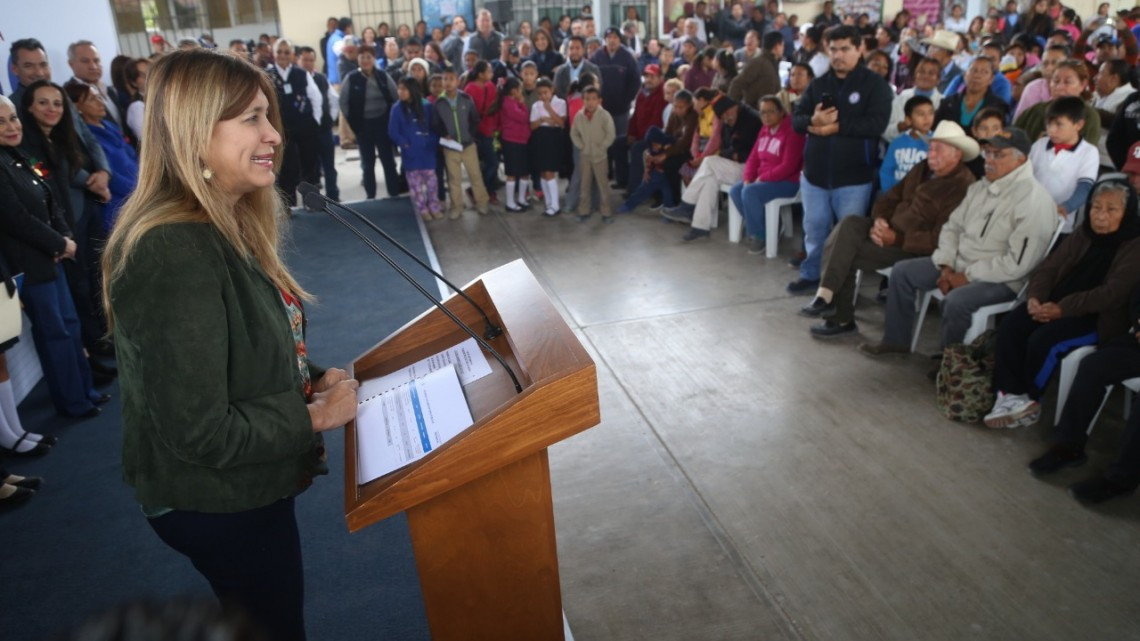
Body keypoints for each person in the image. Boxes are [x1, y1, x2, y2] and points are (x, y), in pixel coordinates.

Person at [101, 50, 358, 641]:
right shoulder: (170, 250)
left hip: (245, 486)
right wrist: (314, 414)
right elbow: (199, 430)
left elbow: (246, 337)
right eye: (250, 119)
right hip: (217, 502)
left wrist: (312, 374)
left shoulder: (221, 220)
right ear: (195, 133)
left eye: (267, 116)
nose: (273, 135)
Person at [858, 127, 1058, 357]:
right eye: (988, 153)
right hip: (958, 264)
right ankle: (896, 342)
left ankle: (950, 361)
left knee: (957, 301)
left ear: (1021, 159)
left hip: (1002, 279)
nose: (989, 161)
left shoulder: (1034, 200)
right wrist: (946, 266)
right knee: (903, 272)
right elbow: (952, 228)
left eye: (998, 155)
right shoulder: (980, 187)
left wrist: (966, 277)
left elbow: (1017, 264)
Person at [985, 177, 1140, 430]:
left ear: (1128, 212)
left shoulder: (1135, 244)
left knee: (1046, 340)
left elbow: (1113, 294)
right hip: (1055, 304)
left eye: (1111, 209)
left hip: (1097, 317)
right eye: (1095, 207)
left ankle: (1029, 397)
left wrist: (1063, 309)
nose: (1100, 215)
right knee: (1014, 323)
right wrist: (1035, 297)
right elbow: (1049, 266)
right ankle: (1009, 395)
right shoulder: (1084, 233)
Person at [803, 121, 978, 337]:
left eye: (938, 149)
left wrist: (896, 238)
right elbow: (890, 197)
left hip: (910, 246)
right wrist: (880, 220)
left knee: (841, 251)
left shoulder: (962, 187)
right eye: (930, 147)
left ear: (957, 154)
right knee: (849, 224)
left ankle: (837, 314)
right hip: (889, 228)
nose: (931, 153)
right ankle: (826, 298)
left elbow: (939, 239)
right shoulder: (922, 168)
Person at [0, 94, 105, 420]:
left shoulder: (20, 155)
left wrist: (66, 237)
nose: (11, 126)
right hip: (31, 264)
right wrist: (59, 244)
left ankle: (86, 392)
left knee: (70, 327)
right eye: (1, 122)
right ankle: (72, 402)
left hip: (55, 255)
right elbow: (16, 218)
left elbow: (51, 199)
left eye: (13, 118)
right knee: (55, 334)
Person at [790, 25, 893, 293]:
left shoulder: (875, 85)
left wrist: (838, 126)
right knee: (814, 229)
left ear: (859, 49)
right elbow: (796, 119)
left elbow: (876, 124)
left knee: (847, 237)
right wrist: (813, 121)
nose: (838, 55)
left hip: (854, 176)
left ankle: (840, 288)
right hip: (815, 174)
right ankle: (812, 275)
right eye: (833, 49)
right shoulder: (819, 83)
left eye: (845, 48)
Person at [674, 96, 762, 241]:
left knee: (709, 162)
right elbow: (724, 148)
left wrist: (735, 154)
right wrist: (731, 154)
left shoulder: (751, 119)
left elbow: (754, 153)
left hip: (751, 169)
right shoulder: (728, 120)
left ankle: (687, 205)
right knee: (709, 179)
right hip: (734, 165)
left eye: (728, 112)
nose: (726, 117)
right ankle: (700, 227)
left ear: (735, 106)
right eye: (723, 115)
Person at [727, 95, 805, 254]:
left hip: (789, 182)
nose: (766, 116)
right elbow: (753, 158)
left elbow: (789, 166)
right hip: (764, 180)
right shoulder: (764, 130)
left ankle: (760, 236)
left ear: (781, 112)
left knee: (750, 192)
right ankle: (768, 229)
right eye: (762, 112)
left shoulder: (793, 131)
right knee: (736, 190)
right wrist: (748, 178)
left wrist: (762, 178)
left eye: (771, 111)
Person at [64, 81, 138, 231]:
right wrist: (138, 191)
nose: (100, 102)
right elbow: (111, 177)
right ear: (77, 107)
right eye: (92, 99)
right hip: (120, 204)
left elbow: (132, 156)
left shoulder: (109, 125)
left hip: (139, 189)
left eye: (99, 97)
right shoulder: (87, 139)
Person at [339, 45, 402, 199]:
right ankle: (371, 196)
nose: (366, 60)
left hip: (383, 124)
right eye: (362, 57)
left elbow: (395, 98)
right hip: (363, 126)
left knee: (388, 161)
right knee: (368, 165)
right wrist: (354, 123)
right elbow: (343, 102)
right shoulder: (351, 78)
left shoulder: (382, 76)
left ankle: (394, 193)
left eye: (369, 57)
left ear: (374, 59)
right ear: (357, 59)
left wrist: (394, 121)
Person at [1028, 97, 1097, 234]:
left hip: (1059, 223)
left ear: (1078, 125)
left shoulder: (1088, 152)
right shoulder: (1039, 145)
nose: (1051, 130)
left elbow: (1085, 187)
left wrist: (1066, 207)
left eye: (1059, 124)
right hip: (1028, 215)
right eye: (1048, 124)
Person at [267, 39, 321, 207]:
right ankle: (289, 206)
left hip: (305, 127)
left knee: (309, 164)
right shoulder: (267, 74)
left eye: (286, 52)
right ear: (274, 54)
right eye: (279, 52)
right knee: (286, 169)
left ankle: (310, 202)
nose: (283, 55)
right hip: (282, 130)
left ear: (291, 54)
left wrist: (315, 121)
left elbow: (316, 97)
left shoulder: (301, 73)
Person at [432, 67, 489, 218]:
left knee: (475, 175)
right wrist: (444, 134)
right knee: (454, 179)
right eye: (445, 79)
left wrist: (470, 134)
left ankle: (482, 202)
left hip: (468, 145)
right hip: (450, 148)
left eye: (451, 79)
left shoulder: (465, 98)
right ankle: (456, 207)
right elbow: (436, 123)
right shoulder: (439, 102)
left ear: (458, 81)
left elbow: (475, 119)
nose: (448, 82)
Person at [592, 28, 642, 189]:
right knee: (601, 142)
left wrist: (626, 99)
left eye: (615, 37)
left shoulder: (627, 57)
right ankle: (605, 175)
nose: (612, 40)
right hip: (601, 109)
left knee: (619, 143)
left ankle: (621, 179)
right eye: (609, 37)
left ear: (620, 40)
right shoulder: (597, 56)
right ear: (604, 40)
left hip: (621, 110)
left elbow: (635, 81)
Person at [388, 77, 441, 221]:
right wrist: (404, 144)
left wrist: (432, 142)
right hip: (410, 155)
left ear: (413, 90)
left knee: (432, 184)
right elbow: (393, 131)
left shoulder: (427, 106)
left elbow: (434, 127)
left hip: (427, 153)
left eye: (404, 89)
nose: (401, 92)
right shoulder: (397, 108)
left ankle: (434, 207)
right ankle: (422, 209)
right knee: (416, 186)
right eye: (399, 88)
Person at [1015, 60, 1101, 144]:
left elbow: (1085, 153)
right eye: (1056, 81)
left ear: (1083, 85)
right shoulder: (1035, 110)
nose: (1060, 87)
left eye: (1067, 82)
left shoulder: (1089, 116)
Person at [297, 46, 339, 202]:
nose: (308, 63)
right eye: (304, 60)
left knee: (329, 166)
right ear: (298, 60)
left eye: (311, 60)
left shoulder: (321, 78)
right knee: (310, 168)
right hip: (305, 133)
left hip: (324, 130)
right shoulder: (296, 78)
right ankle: (312, 201)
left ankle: (333, 196)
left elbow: (333, 100)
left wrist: (329, 118)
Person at [571, 85, 616, 223]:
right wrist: (581, 146)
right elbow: (574, 133)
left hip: (600, 157)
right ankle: (584, 211)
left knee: (603, 186)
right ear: (582, 100)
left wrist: (602, 147)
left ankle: (606, 212)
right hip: (585, 156)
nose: (590, 102)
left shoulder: (604, 116)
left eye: (593, 99)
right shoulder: (579, 116)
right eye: (587, 99)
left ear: (599, 100)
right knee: (584, 185)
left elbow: (611, 134)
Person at [625, 64, 668, 195]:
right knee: (618, 143)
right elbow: (635, 116)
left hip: (655, 138)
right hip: (640, 134)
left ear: (660, 78)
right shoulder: (642, 92)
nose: (648, 79)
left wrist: (640, 138)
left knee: (637, 148)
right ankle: (623, 180)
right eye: (646, 76)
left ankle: (635, 189)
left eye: (652, 76)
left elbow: (656, 123)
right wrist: (631, 134)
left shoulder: (662, 94)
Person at [934, 57, 1007, 130]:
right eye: (973, 70)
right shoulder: (948, 102)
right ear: (965, 75)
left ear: (991, 79)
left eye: (984, 72)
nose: (977, 76)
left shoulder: (998, 107)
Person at [880, 96, 934, 194]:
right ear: (908, 119)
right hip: (897, 196)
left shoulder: (936, 142)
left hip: (924, 198)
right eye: (921, 114)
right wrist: (890, 194)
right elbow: (886, 171)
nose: (927, 118)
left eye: (930, 113)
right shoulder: (897, 142)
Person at [884, 57, 942, 145]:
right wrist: (900, 127)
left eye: (931, 73)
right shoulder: (902, 97)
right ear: (915, 75)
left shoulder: (943, 102)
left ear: (938, 79)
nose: (925, 76)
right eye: (921, 72)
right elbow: (885, 130)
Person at [530, 78, 567, 216]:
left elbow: (561, 122)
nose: (543, 96)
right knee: (543, 172)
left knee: (550, 171)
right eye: (540, 94)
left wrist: (549, 110)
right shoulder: (535, 105)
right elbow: (533, 125)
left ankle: (555, 206)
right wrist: (544, 120)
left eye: (545, 92)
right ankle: (548, 203)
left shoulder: (560, 103)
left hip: (554, 138)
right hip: (540, 138)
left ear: (552, 90)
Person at [495, 78, 532, 212]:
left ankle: (522, 199)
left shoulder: (514, 102)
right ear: (513, 90)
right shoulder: (507, 103)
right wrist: (522, 104)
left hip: (522, 140)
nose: (521, 92)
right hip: (512, 140)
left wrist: (521, 104)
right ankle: (510, 202)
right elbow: (523, 117)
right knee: (512, 173)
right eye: (519, 89)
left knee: (523, 172)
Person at [67, 40, 122, 128]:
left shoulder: (110, 90)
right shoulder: (67, 95)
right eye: (85, 61)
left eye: (96, 60)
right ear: (71, 64)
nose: (93, 66)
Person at [1012, 44, 1070, 120]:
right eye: (1045, 64)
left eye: (1055, 63)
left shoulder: (1073, 86)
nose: (1050, 68)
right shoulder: (1033, 88)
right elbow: (1020, 121)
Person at [729, 31, 783, 108]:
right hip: (755, 112)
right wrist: (732, 107)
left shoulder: (773, 62)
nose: (783, 48)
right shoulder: (758, 62)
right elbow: (737, 83)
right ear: (777, 46)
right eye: (782, 45)